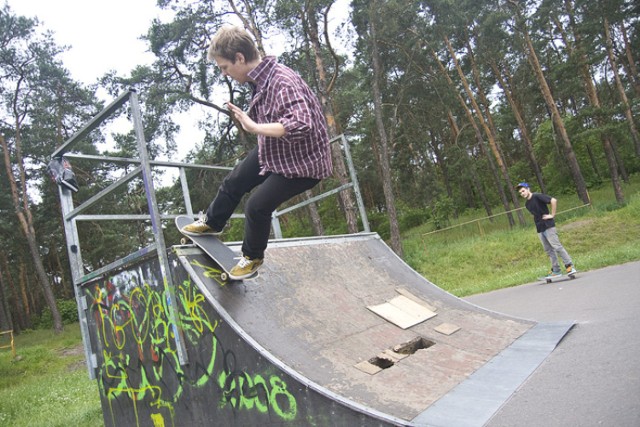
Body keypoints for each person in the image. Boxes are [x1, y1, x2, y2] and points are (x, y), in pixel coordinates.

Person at [181, 25, 333, 280]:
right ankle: (213, 222)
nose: (224, 74)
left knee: (257, 206)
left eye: (224, 67)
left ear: (239, 58)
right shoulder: (261, 78)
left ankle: (252, 257)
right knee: (235, 180)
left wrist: (254, 127)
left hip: (304, 164)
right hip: (277, 151)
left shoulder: (282, 80)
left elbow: (302, 123)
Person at [516, 182, 576, 278]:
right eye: (520, 192)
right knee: (549, 250)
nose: (522, 193)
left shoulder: (537, 196)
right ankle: (556, 270)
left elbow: (553, 200)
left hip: (548, 226)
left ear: (528, 189)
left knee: (557, 246)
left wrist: (552, 215)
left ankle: (569, 266)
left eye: (523, 191)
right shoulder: (527, 204)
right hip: (540, 228)